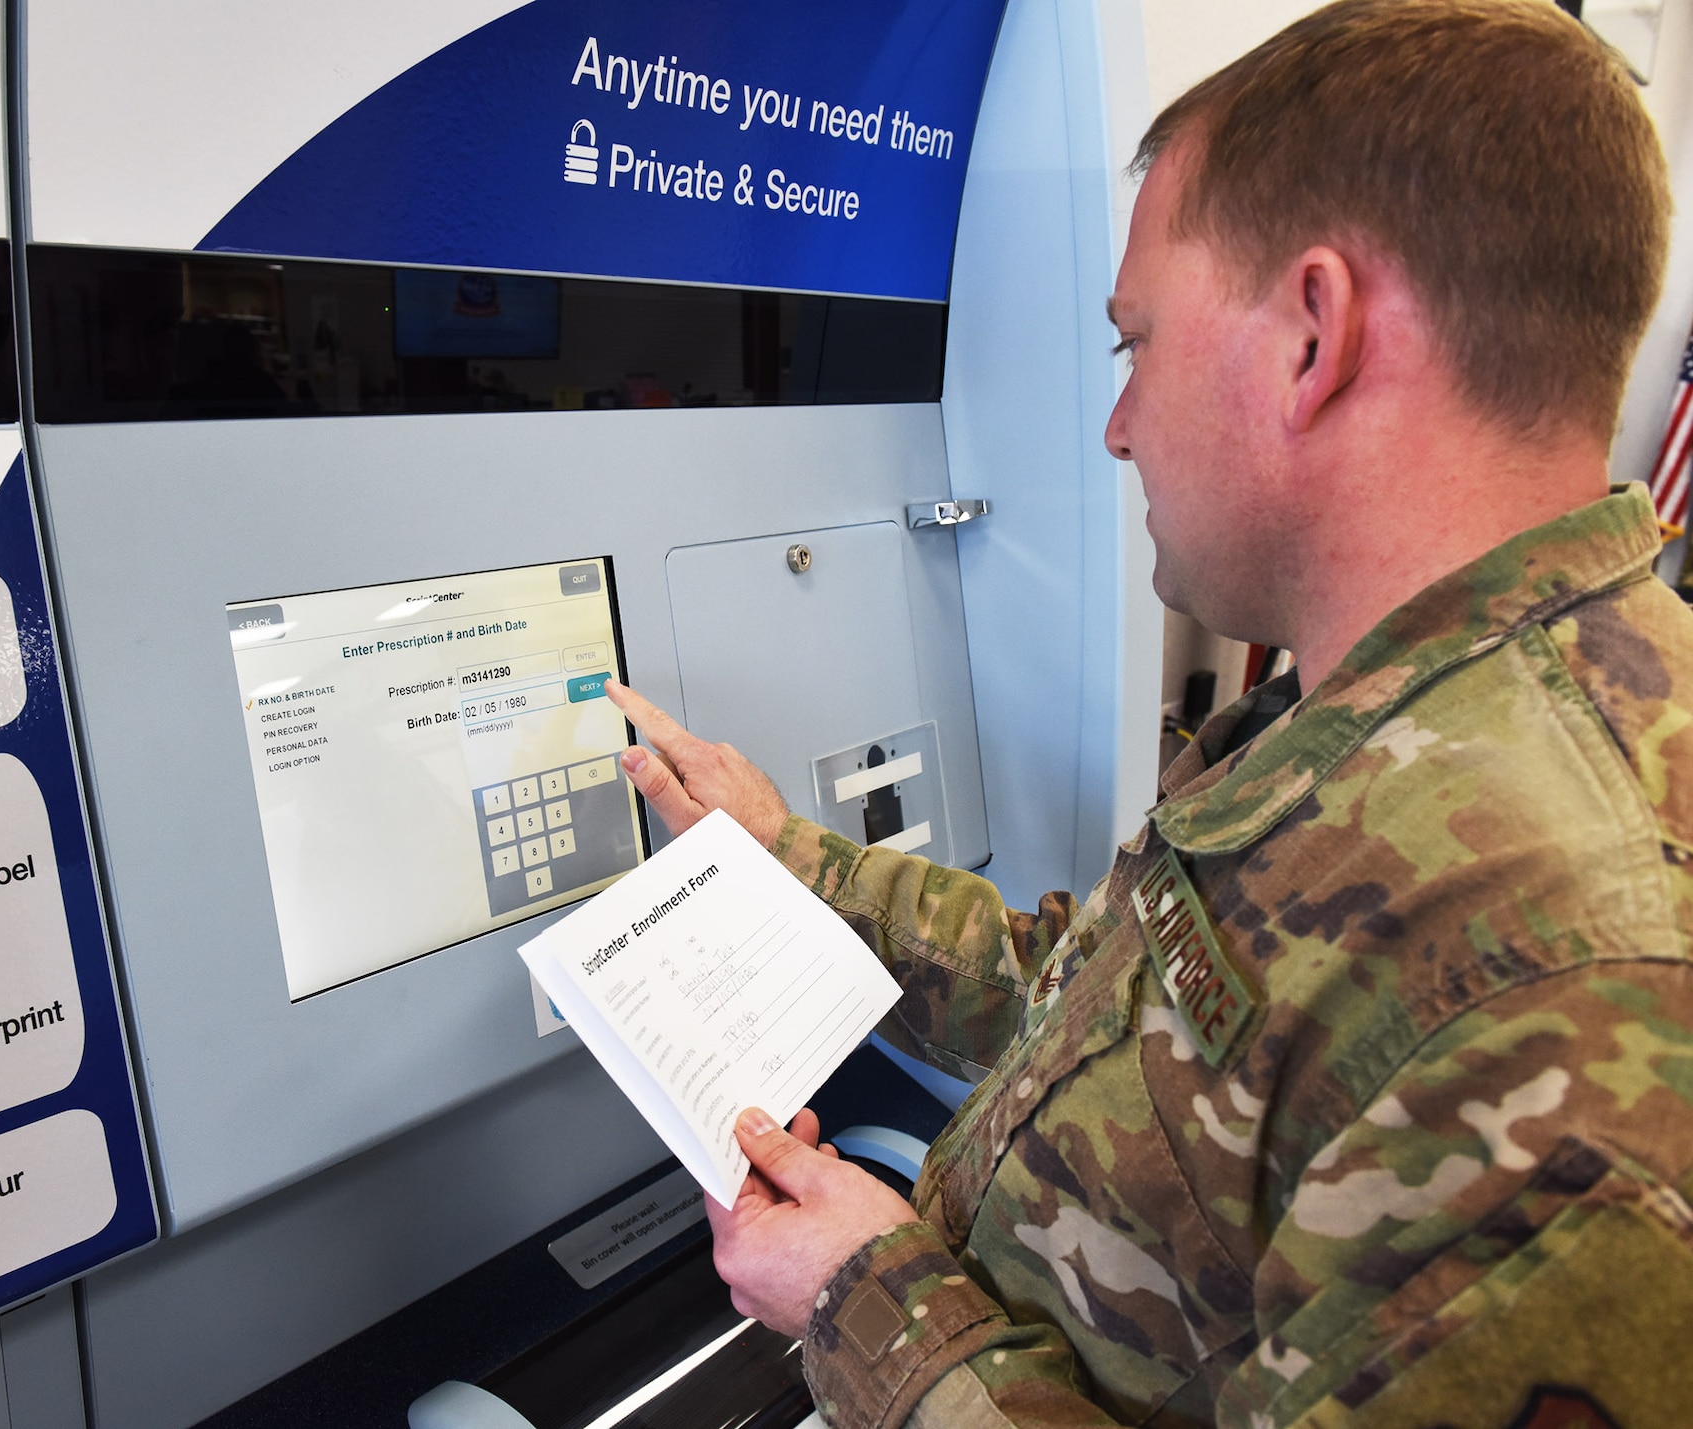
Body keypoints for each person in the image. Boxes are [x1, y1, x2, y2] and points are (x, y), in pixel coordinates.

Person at [605, 2, 1693, 1425]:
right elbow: (1125, 1015)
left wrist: (862, 1299)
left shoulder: (1572, 987)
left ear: (1314, 333)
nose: (1116, 427)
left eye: (1136, 346)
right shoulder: (1410, 714)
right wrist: (788, 856)